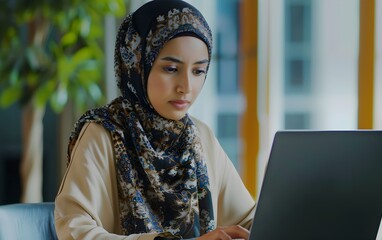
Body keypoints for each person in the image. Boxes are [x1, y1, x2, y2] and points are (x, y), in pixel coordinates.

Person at [54, 0, 255, 239]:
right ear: (137, 65)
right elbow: (74, 231)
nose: (186, 87)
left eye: (199, 71)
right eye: (171, 69)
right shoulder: (102, 133)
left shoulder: (200, 137)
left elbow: (249, 221)